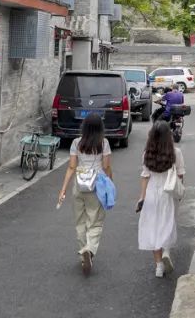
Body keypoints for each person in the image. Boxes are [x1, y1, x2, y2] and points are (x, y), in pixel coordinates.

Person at [57, 113, 112, 276]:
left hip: (79, 185)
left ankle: (83, 255)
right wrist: (110, 183)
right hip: (97, 186)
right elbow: (106, 167)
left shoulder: (76, 143)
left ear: (84, 127)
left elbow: (71, 167)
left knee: (80, 221)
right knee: (95, 221)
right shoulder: (104, 143)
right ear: (100, 127)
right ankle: (89, 249)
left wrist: (63, 189)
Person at [136, 120, 184, 278]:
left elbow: (145, 176)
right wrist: (179, 193)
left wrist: (142, 198)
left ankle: (158, 266)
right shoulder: (176, 153)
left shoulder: (147, 154)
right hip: (168, 194)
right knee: (167, 224)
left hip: (151, 193)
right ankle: (166, 252)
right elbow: (180, 175)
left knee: (153, 228)